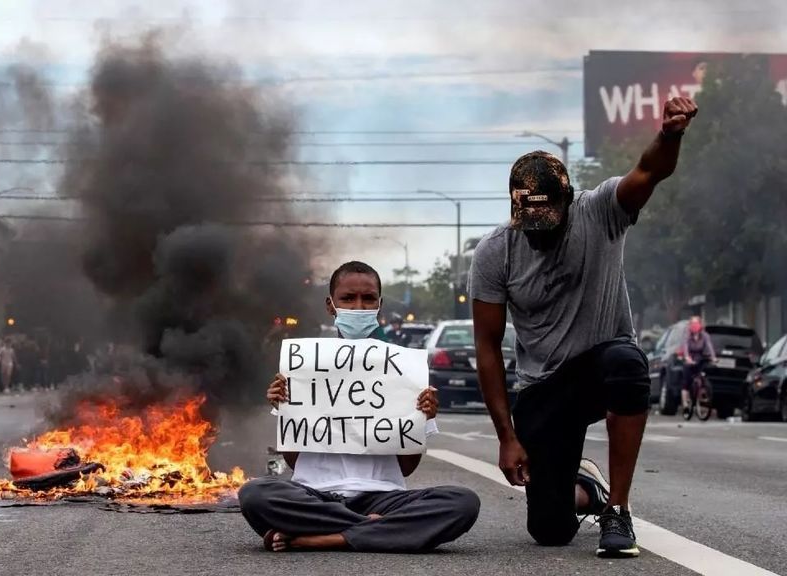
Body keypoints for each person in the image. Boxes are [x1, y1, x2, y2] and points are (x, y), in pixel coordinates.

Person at [469, 96, 698, 558]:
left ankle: (617, 509)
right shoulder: (494, 252)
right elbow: (488, 346)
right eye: (529, 224)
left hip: (600, 364)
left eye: (547, 223)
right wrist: (506, 437)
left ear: (568, 200)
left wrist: (669, 134)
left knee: (627, 362)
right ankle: (587, 491)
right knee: (550, 530)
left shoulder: (601, 211)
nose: (539, 234)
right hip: (543, 389)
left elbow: (649, 171)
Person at [238, 261, 480, 553]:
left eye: (368, 299)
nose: (358, 306)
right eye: (348, 298)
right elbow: (293, 462)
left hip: (382, 497)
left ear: (380, 305)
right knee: (254, 494)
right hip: (315, 495)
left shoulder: (403, 369)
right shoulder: (305, 367)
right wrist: (285, 405)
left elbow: (406, 468)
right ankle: (374, 529)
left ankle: (324, 538)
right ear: (331, 305)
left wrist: (423, 416)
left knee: (462, 502)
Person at [679, 316, 715, 415]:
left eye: (697, 323)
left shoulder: (705, 336)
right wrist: (687, 357)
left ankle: (702, 394)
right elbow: (685, 348)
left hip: (700, 359)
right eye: (693, 323)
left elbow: (709, 346)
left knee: (703, 376)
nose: (695, 325)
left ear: (701, 324)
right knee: (686, 382)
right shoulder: (687, 336)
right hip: (689, 360)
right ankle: (686, 404)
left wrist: (713, 357)